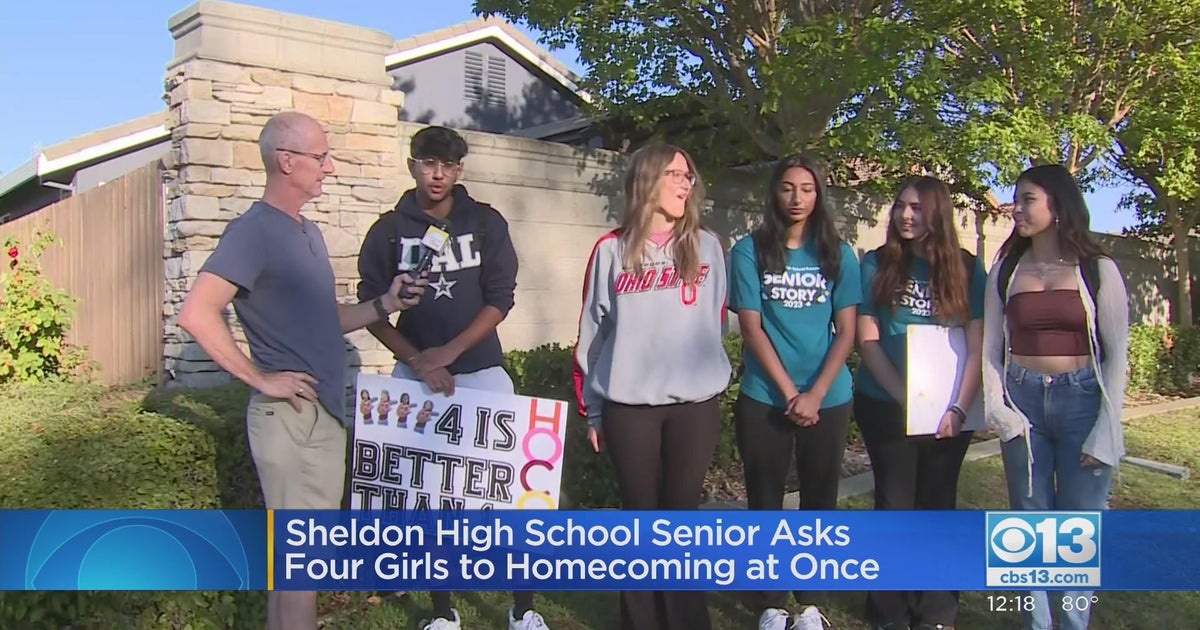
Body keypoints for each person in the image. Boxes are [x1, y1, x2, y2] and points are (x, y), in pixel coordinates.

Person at [178, 111, 425, 630]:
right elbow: (197, 312)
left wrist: (386, 302)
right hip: (290, 417)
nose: (329, 168)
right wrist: (261, 378)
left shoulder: (306, 232)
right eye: (320, 157)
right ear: (285, 161)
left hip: (321, 416)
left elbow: (326, 320)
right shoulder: (253, 231)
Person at [356, 125, 548, 630]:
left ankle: (523, 608)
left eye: (447, 164)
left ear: (460, 170)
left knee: (514, 495)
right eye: (427, 162)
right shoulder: (388, 230)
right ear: (412, 165)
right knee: (427, 496)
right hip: (415, 376)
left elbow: (500, 297)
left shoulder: (485, 223)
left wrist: (449, 353)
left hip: (482, 370)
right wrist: (419, 360)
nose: (437, 173)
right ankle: (444, 613)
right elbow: (370, 308)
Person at [573, 141, 732, 630]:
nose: (686, 183)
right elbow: (591, 336)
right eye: (675, 174)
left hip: (694, 408)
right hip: (630, 410)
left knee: (681, 520)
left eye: (689, 176)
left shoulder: (707, 246)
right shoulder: (611, 251)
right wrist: (594, 411)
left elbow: (717, 321)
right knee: (640, 521)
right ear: (647, 180)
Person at [982, 164, 1128, 630]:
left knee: (1079, 528)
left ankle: (1073, 623)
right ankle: (1038, 625)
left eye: (1028, 199)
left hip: (1082, 401)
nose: (1016, 208)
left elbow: (1117, 355)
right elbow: (990, 347)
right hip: (1023, 401)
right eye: (1016, 199)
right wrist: (997, 407)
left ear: (1058, 206)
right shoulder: (1005, 268)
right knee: (1028, 525)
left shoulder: (1097, 269)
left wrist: (1107, 429)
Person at [727, 155, 859, 630]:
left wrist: (816, 394)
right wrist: (790, 393)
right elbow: (752, 327)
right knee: (764, 499)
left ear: (819, 194)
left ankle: (809, 603)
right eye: (787, 188)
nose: (797, 197)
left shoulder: (839, 254)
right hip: (766, 396)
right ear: (774, 193)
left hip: (829, 397)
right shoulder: (748, 251)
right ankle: (770, 601)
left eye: (807, 188)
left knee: (819, 498)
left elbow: (846, 331)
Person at [853, 176, 987, 630]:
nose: (905, 215)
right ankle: (888, 612)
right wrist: (906, 399)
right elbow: (867, 340)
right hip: (886, 404)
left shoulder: (968, 269)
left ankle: (935, 613)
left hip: (951, 412)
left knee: (937, 504)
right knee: (894, 504)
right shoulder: (875, 263)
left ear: (938, 214)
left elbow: (977, 345)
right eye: (899, 206)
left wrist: (958, 408)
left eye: (916, 207)